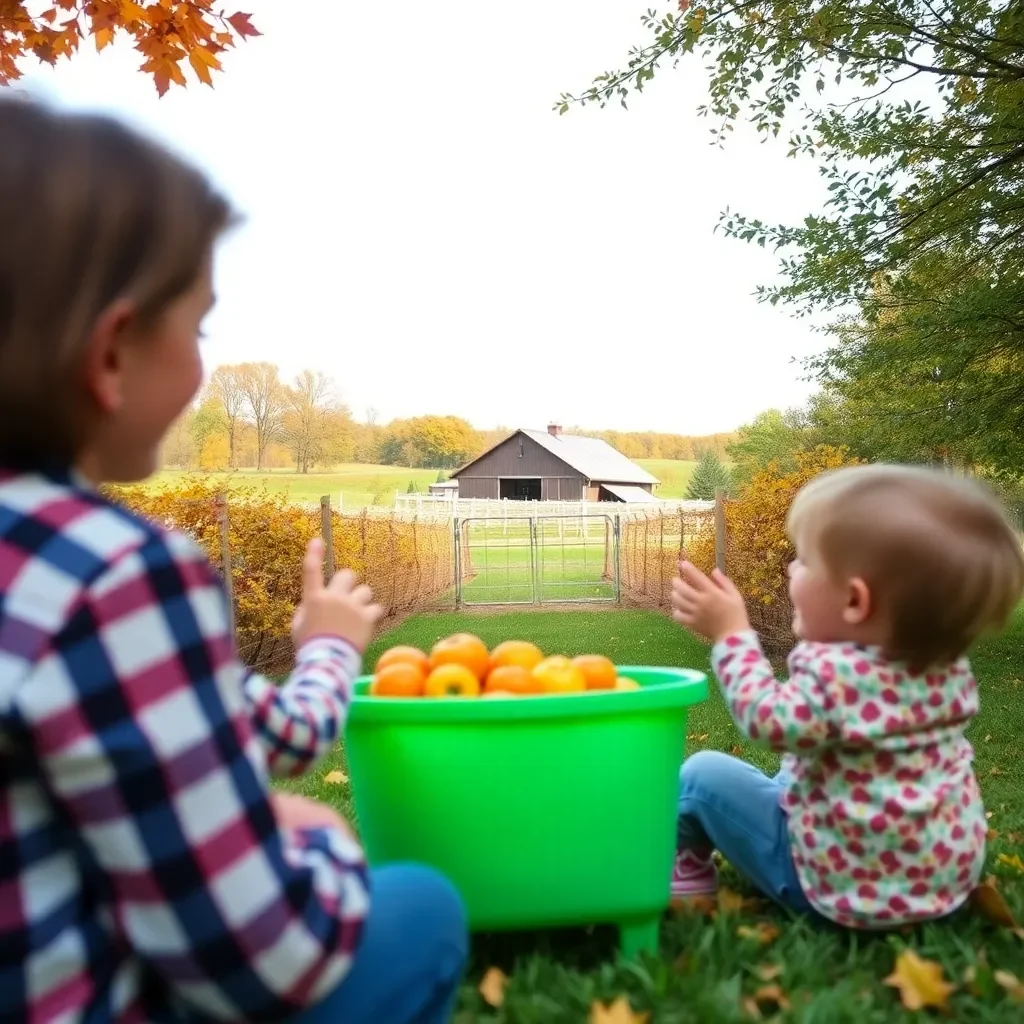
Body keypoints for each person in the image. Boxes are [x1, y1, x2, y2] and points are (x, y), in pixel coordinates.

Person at [0, 97, 467, 1023]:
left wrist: (324, 650)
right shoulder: (113, 577)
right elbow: (259, 961)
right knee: (422, 906)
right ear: (112, 355)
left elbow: (255, 731)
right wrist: (321, 840)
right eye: (200, 326)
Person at [668, 463, 1024, 929]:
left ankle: (687, 872)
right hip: (938, 885)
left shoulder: (837, 677)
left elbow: (766, 720)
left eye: (805, 561)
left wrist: (731, 634)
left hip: (834, 889)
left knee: (700, 776)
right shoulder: (945, 673)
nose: (792, 568)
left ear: (856, 602)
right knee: (796, 776)